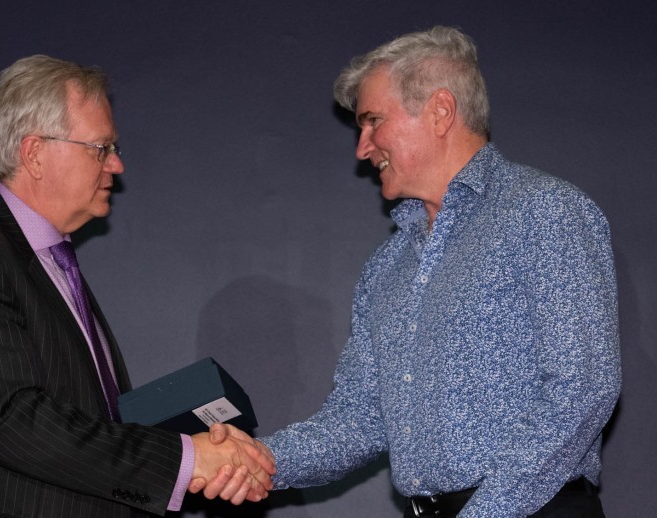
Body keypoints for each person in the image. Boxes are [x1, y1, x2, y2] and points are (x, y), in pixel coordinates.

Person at [197, 26, 621, 517]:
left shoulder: (544, 211)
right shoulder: (388, 266)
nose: (362, 147)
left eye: (373, 121)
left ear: (440, 111)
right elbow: (359, 418)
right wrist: (263, 459)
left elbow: (582, 388)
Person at [0, 55, 274, 518]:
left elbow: (81, 423)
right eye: (100, 148)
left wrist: (189, 446)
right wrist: (187, 459)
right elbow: (14, 422)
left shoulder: (44, 259)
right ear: (35, 153)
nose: (117, 165)